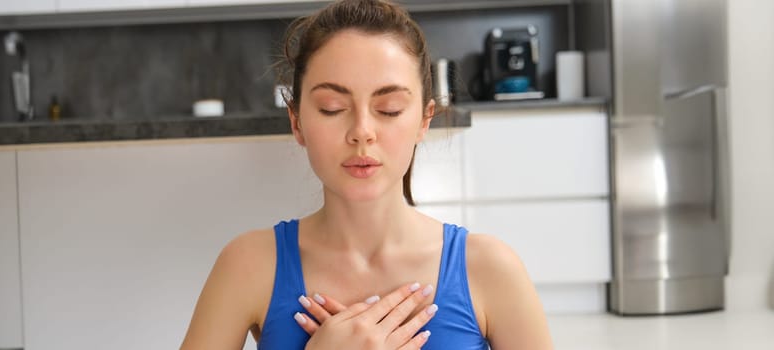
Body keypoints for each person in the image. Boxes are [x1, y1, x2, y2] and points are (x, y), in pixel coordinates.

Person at [181, 0, 552, 348]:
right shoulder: (248, 263)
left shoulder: (490, 268)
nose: (362, 131)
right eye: (332, 107)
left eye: (388, 109)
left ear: (424, 121)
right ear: (297, 122)